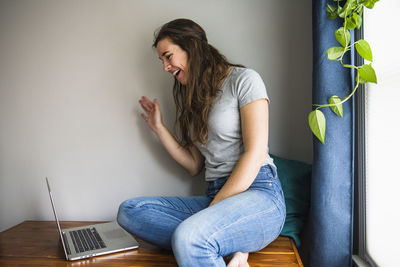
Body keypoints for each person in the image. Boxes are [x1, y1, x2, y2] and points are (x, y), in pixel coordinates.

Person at [117, 18, 286, 267]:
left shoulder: (245, 80)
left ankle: (207, 238)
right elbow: (194, 165)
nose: (165, 67)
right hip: (215, 194)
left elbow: (255, 153)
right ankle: (226, 244)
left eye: (168, 56)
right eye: (161, 60)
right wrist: (159, 128)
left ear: (193, 47)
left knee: (189, 237)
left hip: (258, 194)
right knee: (130, 211)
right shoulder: (192, 99)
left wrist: (212, 213)